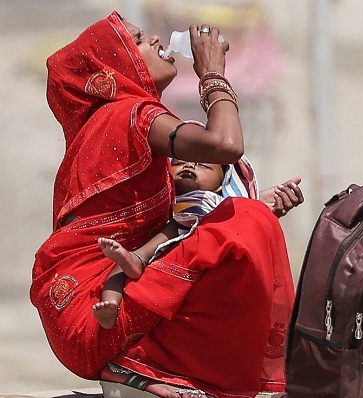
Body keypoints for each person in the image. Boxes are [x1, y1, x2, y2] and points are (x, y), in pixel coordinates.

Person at [32, 11, 298, 397]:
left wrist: (253, 205)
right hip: (96, 310)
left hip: (81, 312)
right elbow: (226, 146)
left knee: (248, 220)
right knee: (248, 221)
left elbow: (188, 219)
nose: (156, 40)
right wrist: (213, 74)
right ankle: (150, 366)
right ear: (118, 66)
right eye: (139, 40)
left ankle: (161, 364)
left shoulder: (110, 122)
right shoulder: (130, 114)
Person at [92, 158, 303, 329]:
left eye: (203, 164)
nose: (189, 165)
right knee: (122, 265)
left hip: (195, 289)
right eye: (178, 162)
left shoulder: (222, 207)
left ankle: (135, 261)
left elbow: (236, 217)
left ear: (224, 181)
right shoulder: (156, 205)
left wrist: (255, 205)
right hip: (158, 261)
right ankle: (111, 306)